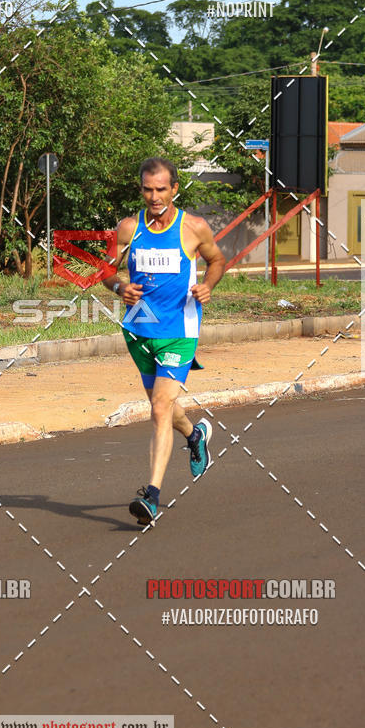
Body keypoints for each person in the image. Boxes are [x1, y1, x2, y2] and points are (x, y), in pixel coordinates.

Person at [103, 157, 226, 526]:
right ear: (141, 189)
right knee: (164, 409)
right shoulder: (129, 228)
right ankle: (195, 434)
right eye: (147, 189)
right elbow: (105, 270)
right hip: (140, 329)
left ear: (174, 189)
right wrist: (120, 286)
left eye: (161, 189)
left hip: (180, 330)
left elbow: (217, 260)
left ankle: (151, 496)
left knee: (158, 408)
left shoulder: (194, 227)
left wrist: (208, 284)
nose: (154, 197)